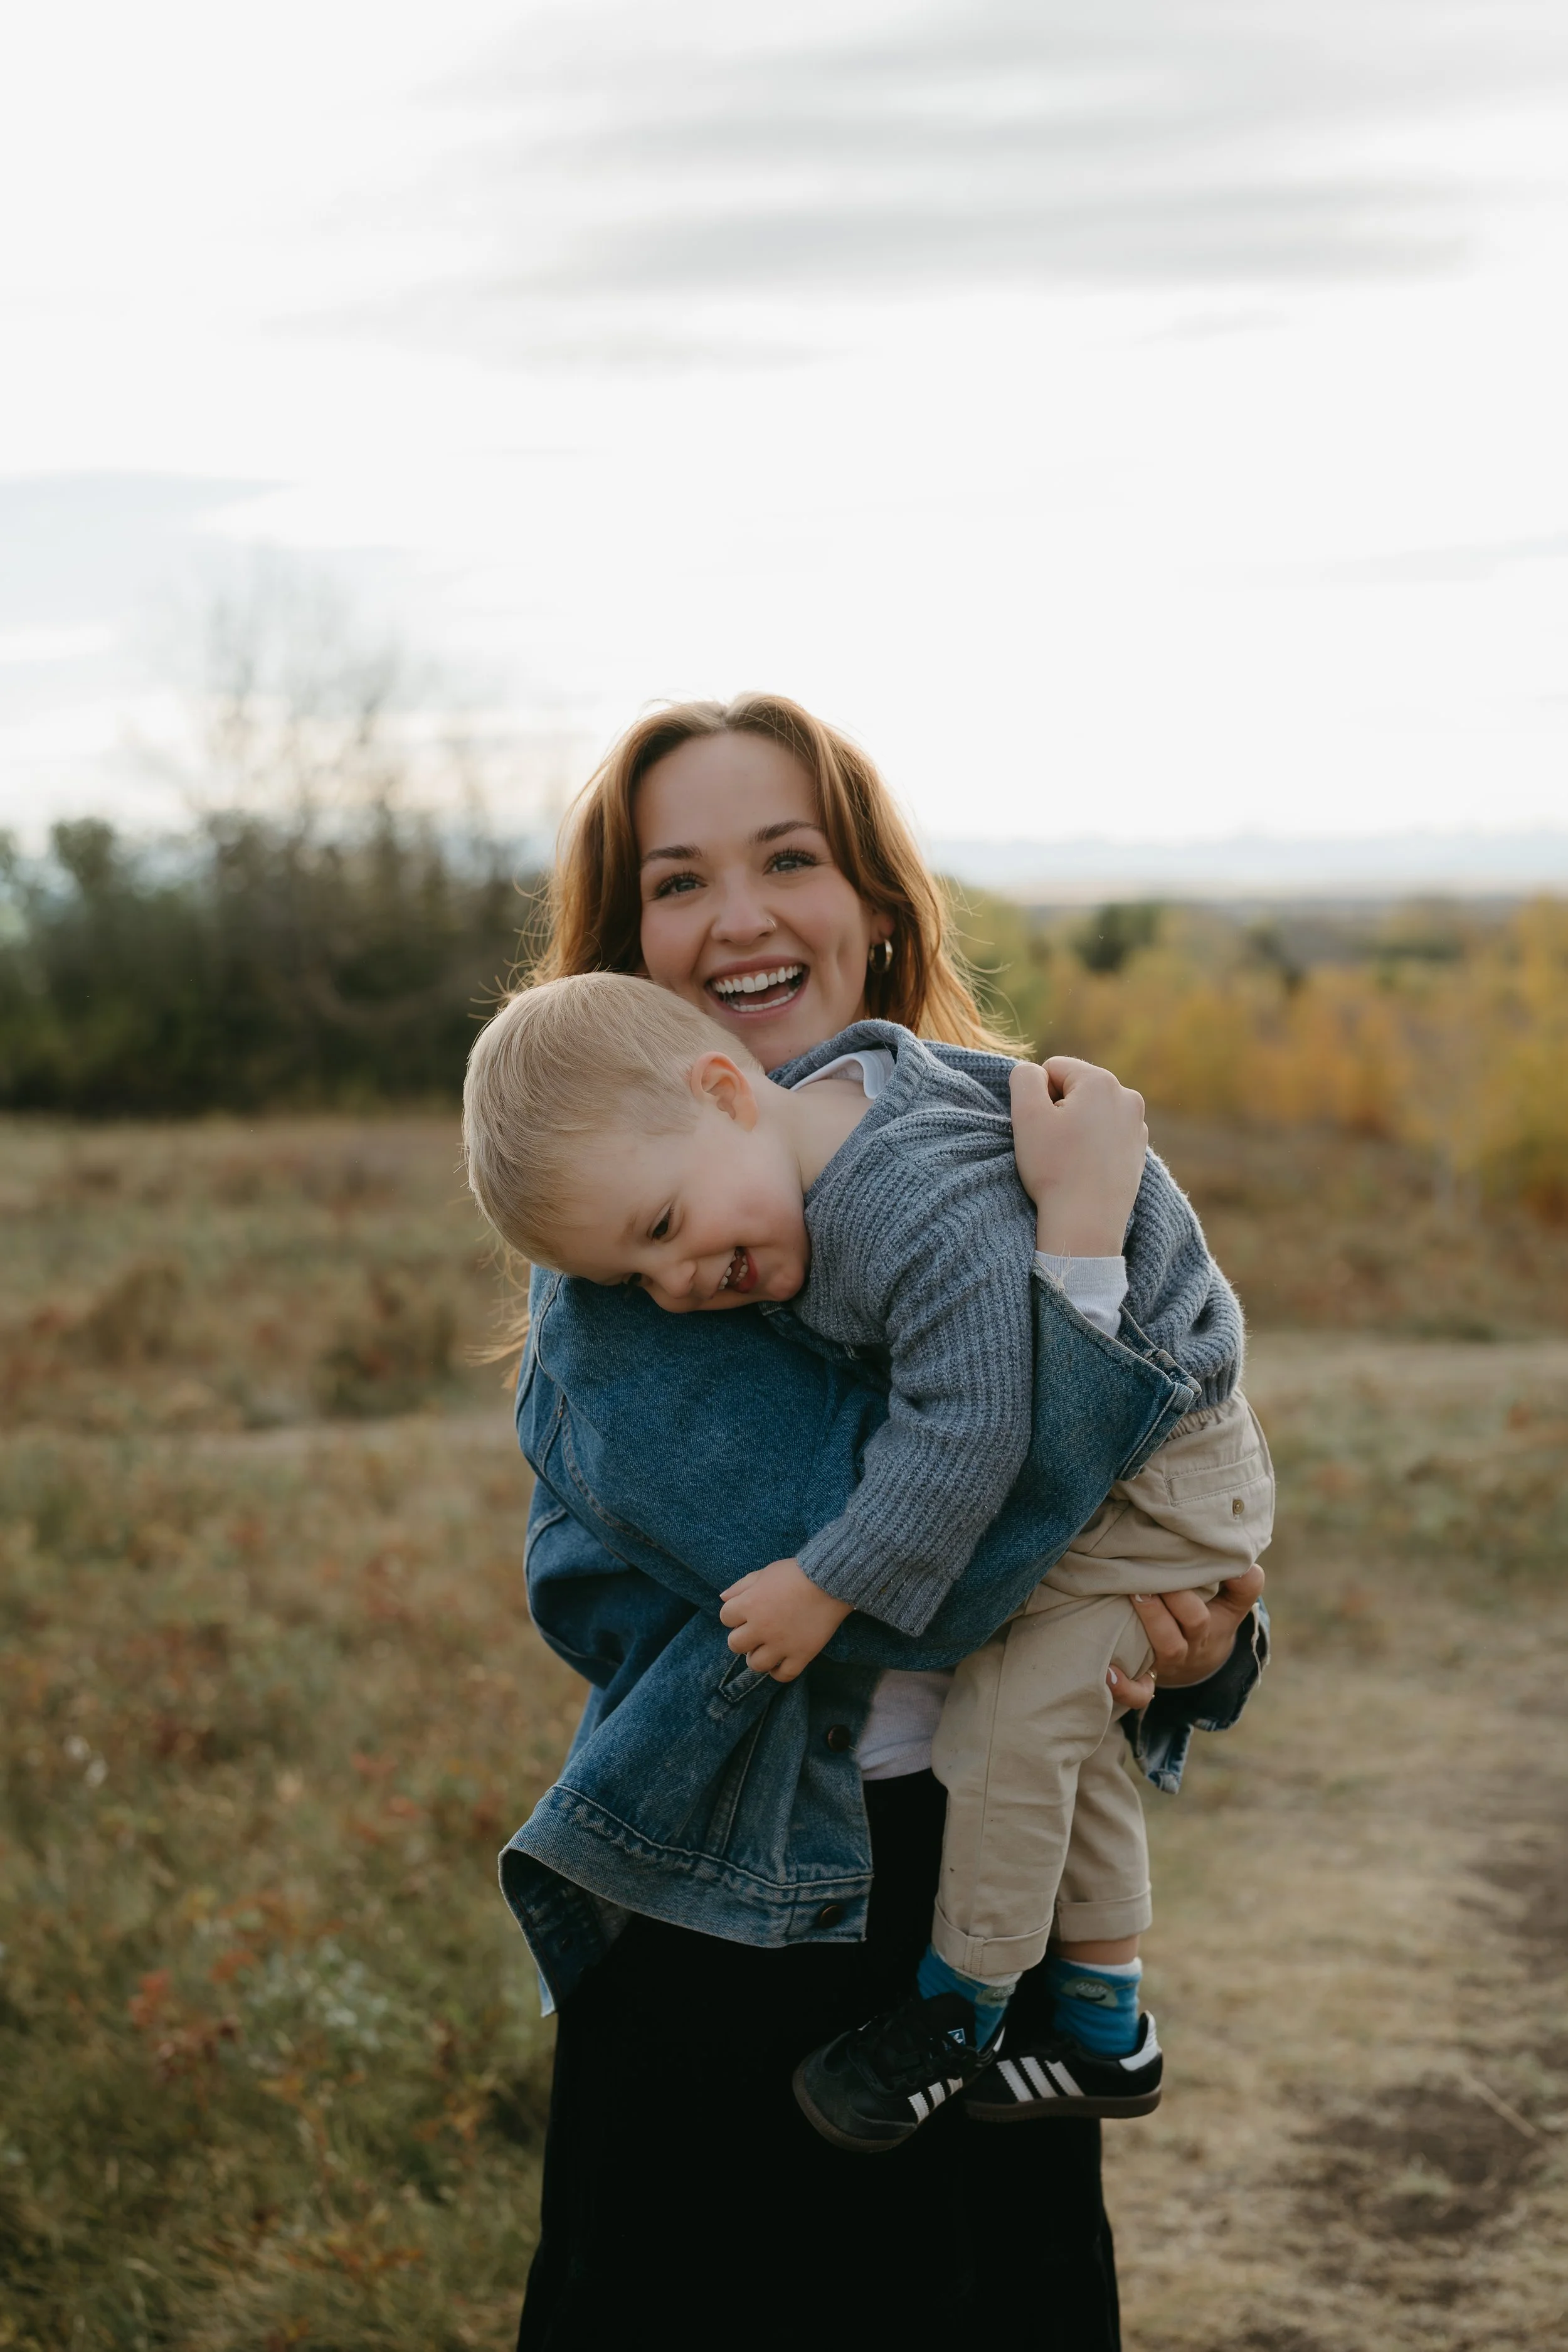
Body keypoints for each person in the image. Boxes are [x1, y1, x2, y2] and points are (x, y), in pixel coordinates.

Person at [488, 694, 1268, 2349]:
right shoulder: (634, 1296)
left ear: (875, 902)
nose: (741, 916)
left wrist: (1201, 1641)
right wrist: (1073, 1248)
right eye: (679, 881)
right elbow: (947, 1582)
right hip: (754, 1914)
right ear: (630, 948)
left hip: (975, 1898)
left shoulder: (957, 1150)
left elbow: (1148, 1493)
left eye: (787, 859)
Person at [464, 973, 1274, 2153]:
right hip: (1128, 1489)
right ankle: (1104, 2020)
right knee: (1052, 1721)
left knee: (1009, 1725)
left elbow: (976, 1439)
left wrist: (827, 1580)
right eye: (636, 1276)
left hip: (1158, 1470)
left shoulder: (906, 1197)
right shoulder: (795, 1153)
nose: (673, 1287)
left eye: (664, 1230)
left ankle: (962, 2010)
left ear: (726, 1089)